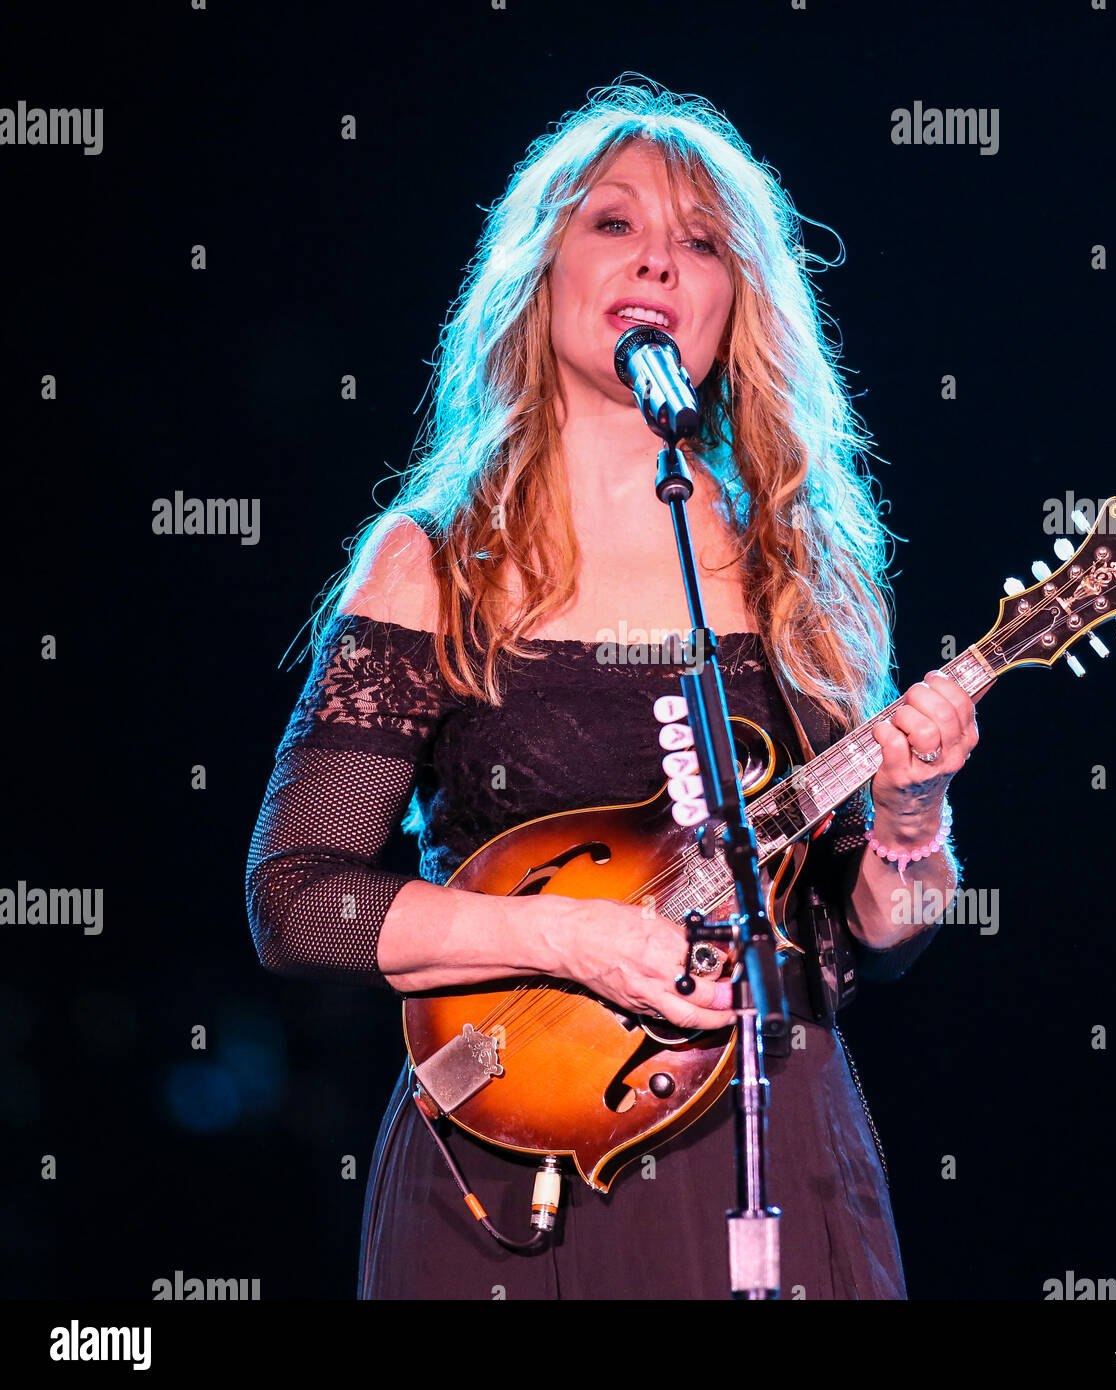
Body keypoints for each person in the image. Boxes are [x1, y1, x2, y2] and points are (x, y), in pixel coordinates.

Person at [245, 80, 979, 1301]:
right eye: (613, 224)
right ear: (540, 272)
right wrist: (570, 938)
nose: (657, 262)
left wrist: (912, 817)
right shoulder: (436, 557)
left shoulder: (810, 567)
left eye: (701, 242)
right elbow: (296, 899)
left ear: (735, 302)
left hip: (773, 1132)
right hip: (510, 1143)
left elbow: (858, 943)